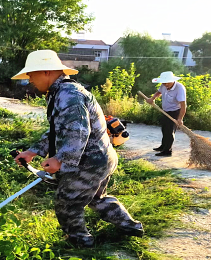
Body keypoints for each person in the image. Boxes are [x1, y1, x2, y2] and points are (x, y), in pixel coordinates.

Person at [12, 50, 144, 247]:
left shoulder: (68, 94)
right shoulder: (60, 93)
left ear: (46, 71)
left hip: (89, 161)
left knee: (67, 203)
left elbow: (78, 131)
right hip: (101, 157)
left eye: (31, 74)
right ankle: (131, 227)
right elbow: (58, 130)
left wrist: (61, 159)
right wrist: (33, 152)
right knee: (97, 198)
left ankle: (81, 243)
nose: (30, 79)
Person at [146, 71, 187, 157]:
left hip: (175, 111)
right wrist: (152, 98)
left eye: (167, 82)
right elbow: (159, 92)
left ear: (172, 80)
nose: (165, 84)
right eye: (164, 83)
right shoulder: (164, 85)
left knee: (169, 131)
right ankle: (163, 146)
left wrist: (180, 118)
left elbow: (183, 105)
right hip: (165, 110)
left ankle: (167, 151)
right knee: (164, 129)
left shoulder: (180, 88)